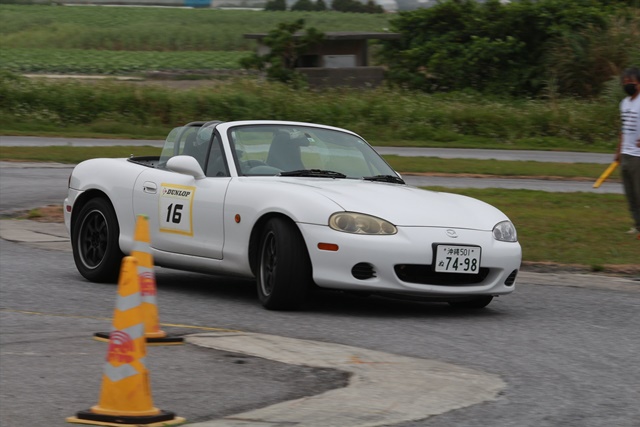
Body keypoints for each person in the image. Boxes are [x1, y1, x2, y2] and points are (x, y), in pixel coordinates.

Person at [615, 67, 640, 237]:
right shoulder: (624, 103)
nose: (627, 85)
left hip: (638, 156)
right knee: (630, 193)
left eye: (631, 82)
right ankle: (637, 225)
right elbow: (623, 129)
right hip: (626, 153)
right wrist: (619, 150)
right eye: (625, 82)